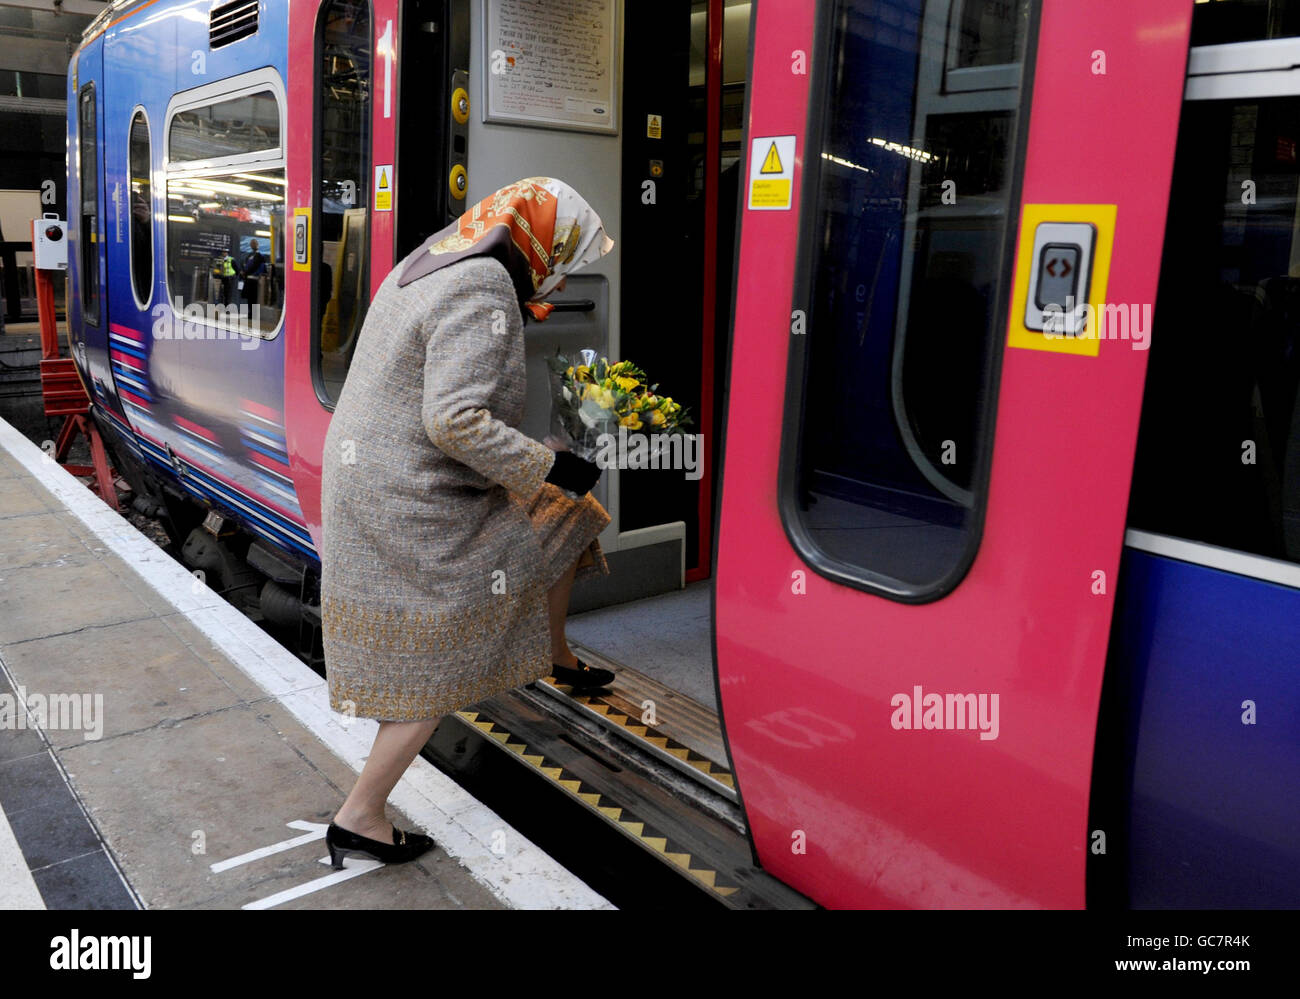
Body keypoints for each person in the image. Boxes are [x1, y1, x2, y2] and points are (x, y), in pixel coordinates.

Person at [320, 177, 616, 867]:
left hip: (383, 477)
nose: (565, 268)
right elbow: (453, 419)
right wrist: (549, 465)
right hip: (417, 495)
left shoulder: (435, 258)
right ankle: (359, 814)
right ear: (544, 237)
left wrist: (540, 467)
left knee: (570, 519)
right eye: (567, 251)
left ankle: (556, 656)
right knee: (440, 656)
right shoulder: (484, 285)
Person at [240, 238, 266, 309]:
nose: (253, 245)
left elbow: (255, 266)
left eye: (254, 243)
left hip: (255, 280)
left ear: (257, 245)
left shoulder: (260, 255)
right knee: (249, 298)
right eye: (252, 244)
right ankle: (250, 313)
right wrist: (243, 272)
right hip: (248, 279)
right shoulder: (249, 255)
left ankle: (254, 315)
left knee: (254, 298)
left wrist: (245, 272)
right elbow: (245, 265)